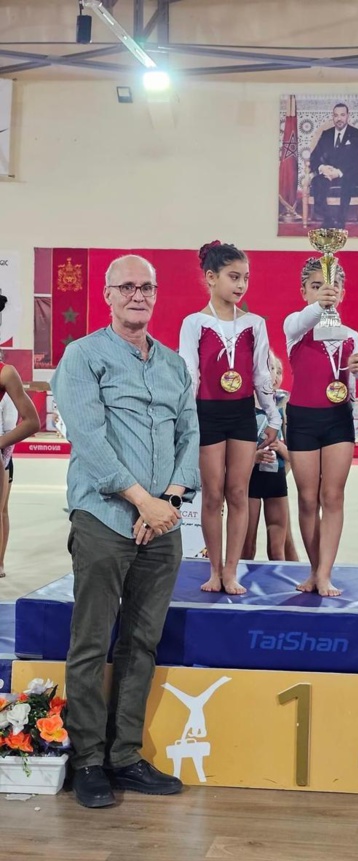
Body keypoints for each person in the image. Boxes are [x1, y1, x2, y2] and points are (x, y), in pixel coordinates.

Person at [51, 254, 200, 809]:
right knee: (92, 642)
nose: (138, 295)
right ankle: (88, 759)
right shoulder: (83, 357)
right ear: (108, 295)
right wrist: (141, 500)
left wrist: (172, 501)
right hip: (105, 520)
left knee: (141, 642)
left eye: (147, 287)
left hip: (164, 523)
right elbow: (88, 440)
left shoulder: (172, 365)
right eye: (127, 287)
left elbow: (191, 433)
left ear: (156, 295)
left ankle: (125, 756)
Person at [179, 242, 280, 595]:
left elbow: (261, 375)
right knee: (212, 494)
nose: (241, 285)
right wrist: (186, 422)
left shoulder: (255, 323)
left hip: (240, 416)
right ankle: (214, 569)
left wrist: (273, 418)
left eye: (246, 278)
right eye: (233, 277)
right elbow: (189, 373)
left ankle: (232, 571)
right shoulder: (194, 323)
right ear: (211, 277)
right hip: (206, 415)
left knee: (238, 492)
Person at [284, 257, 358, 597]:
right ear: (303, 291)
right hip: (302, 420)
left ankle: (325, 573)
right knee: (307, 499)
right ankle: (313, 569)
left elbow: (357, 388)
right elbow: (304, 317)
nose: (326, 293)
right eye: (316, 286)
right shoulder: (296, 327)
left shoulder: (352, 337)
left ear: (343, 291)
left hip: (338, 420)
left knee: (333, 496)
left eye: (332, 287)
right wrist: (319, 303)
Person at [242, 352, 292, 561]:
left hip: (276, 478)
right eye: (271, 368)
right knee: (247, 544)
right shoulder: (243, 408)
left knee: (277, 547)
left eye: (279, 371)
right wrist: (253, 457)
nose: (275, 375)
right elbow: (234, 454)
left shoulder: (283, 407)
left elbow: (294, 455)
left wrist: (280, 448)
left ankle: (281, 586)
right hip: (248, 481)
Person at [0, 364, 41, 577]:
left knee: (1, 510)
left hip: (4, 452)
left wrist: (4, 456)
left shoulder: (6, 374)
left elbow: (29, 423)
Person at [309, 102, 358, 228]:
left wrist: (338, 172)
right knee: (317, 181)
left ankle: (340, 221)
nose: (339, 118)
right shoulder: (326, 134)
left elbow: (357, 160)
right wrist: (322, 168)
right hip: (328, 173)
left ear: (347, 116)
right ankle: (328, 219)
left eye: (342, 115)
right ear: (332, 117)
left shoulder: (356, 134)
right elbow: (314, 156)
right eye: (336, 115)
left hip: (347, 173)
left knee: (348, 181)